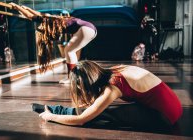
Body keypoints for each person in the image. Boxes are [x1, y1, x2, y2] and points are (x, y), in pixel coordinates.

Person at [32, 60, 182, 127]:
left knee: (104, 113)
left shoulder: (113, 87)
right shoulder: (116, 70)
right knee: (99, 108)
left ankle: (53, 112)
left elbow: (82, 120)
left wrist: (51, 118)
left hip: (165, 117)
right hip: (174, 106)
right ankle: (58, 110)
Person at [9, 3, 97, 82]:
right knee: (70, 51)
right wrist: (28, 9)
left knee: (69, 51)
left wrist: (16, 7)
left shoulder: (46, 21)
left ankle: (72, 78)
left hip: (86, 29)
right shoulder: (53, 18)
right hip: (91, 29)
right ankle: (75, 76)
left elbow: (30, 16)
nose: (41, 28)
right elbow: (39, 14)